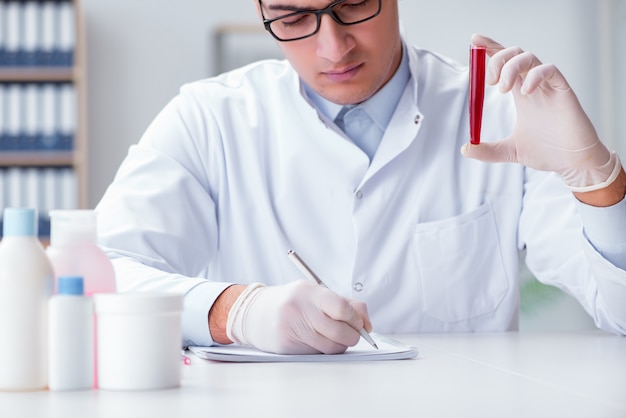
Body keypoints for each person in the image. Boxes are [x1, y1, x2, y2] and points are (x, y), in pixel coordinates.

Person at [95, 0, 626, 355]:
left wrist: (596, 176)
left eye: (351, 4)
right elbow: (101, 278)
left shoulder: (502, 113)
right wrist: (234, 311)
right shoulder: (208, 119)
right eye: (293, 17)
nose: (333, 46)